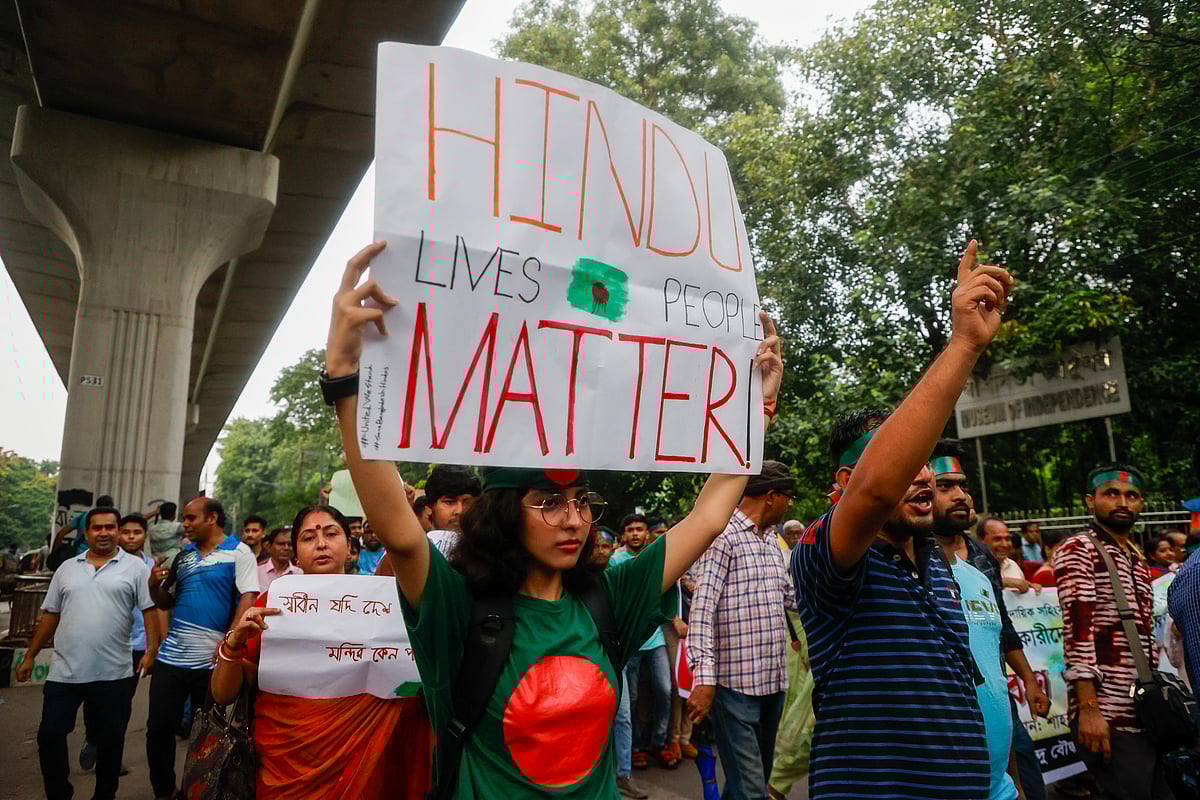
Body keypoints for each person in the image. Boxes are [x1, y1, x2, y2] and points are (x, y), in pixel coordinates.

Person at [325, 240, 782, 798]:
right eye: (549, 503)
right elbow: (399, 531)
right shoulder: (458, 608)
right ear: (501, 515)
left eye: (583, 503)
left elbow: (709, 516)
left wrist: (753, 409)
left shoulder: (611, 599)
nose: (574, 520)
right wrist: (345, 378)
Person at [792, 240, 1012, 799]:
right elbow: (874, 489)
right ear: (842, 484)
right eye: (900, 463)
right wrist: (963, 345)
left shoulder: (940, 560)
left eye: (923, 464)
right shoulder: (829, 557)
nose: (919, 476)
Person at [210, 504, 432, 798]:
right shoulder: (272, 604)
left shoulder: (382, 605)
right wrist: (234, 645)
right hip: (285, 761)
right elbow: (224, 695)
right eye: (308, 538)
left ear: (350, 548)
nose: (321, 544)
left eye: (331, 534)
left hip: (363, 753)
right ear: (296, 555)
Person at [930, 442, 1047, 800]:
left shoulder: (982, 561)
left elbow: (1001, 630)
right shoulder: (907, 568)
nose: (961, 495)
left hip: (1000, 719)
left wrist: (1028, 679)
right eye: (945, 486)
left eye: (963, 486)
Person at [17, 505, 158, 800]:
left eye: (110, 527)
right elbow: (49, 615)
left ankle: (104, 794)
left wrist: (151, 649)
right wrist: (30, 655)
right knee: (50, 735)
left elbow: (149, 610)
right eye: (97, 527)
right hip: (64, 673)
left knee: (110, 741)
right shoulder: (68, 568)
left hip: (114, 673)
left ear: (118, 531)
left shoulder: (136, 568)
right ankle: (59, 794)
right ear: (87, 532)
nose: (104, 533)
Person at [1054, 464, 1167, 800]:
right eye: (1111, 493)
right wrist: (1089, 708)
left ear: (1142, 503)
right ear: (1091, 501)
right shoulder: (1079, 549)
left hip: (1146, 713)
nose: (1123, 502)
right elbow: (1078, 629)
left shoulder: (1133, 554)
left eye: (1131, 495)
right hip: (1107, 714)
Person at [687, 462, 796, 800]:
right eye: (787, 497)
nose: (790, 504)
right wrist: (703, 679)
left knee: (748, 783)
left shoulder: (771, 542)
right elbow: (701, 609)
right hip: (734, 687)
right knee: (751, 790)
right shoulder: (723, 536)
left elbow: (790, 597)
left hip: (772, 683)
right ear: (770, 496)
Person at [147, 496, 259, 800]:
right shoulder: (183, 557)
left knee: (209, 734)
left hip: (211, 664)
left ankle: (199, 790)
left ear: (212, 519)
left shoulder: (239, 553)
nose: (184, 524)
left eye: (190, 518)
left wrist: (230, 641)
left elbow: (248, 599)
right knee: (158, 728)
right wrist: (152, 584)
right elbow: (164, 601)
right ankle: (164, 791)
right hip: (170, 660)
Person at [611, 512, 678, 770]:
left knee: (665, 689)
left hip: (656, 639)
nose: (636, 533)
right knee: (634, 698)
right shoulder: (616, 561)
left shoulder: (654, 560)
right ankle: (637, 746)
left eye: (640, 529)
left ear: (647, 533)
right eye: (630, 530)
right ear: (624, 535)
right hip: (630, 643)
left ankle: (659, 743)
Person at [979, 515, 1033, 591]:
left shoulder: (1013, 565)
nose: (1004, 544)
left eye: (1007, 539)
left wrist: (1032, 589)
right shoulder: (971, 568)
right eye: (997, 539)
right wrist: (1005, 582)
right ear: (981, 541)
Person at [258, 526, 302, 591]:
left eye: (290, 544)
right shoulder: (257, 573)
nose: (286, 548)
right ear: (269, 547)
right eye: (281, 544)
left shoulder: (300, 574)